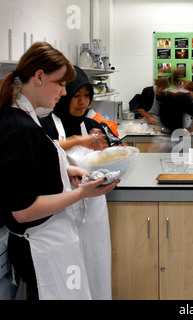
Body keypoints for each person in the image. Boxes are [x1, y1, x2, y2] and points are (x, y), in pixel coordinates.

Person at [0, 42, 120, 300]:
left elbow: (30, 169)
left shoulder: (29, 118)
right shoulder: (20, 128)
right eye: (61, 84)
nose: (65, 93)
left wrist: (66, 171)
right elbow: (22, 211)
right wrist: (81, 194)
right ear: (39, 77)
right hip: (39, 246)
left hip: (51, 242)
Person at [39, 65, 113, 299]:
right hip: (62, 214)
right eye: (76, 96)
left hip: (94, 213)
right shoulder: (47, 124)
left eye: (87, 96)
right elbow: (45, 151)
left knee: (96, 267)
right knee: (68, 281)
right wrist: (78, 141)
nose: (83, 102)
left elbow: (110, 151)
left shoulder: (92, 125)